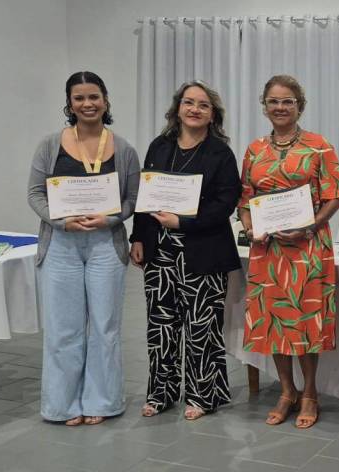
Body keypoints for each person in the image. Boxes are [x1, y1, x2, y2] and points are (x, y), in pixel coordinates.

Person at [27, 71, 140, 425]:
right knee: (63, 328)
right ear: (70, 103)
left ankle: (102, 402)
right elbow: (35, 193)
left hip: (106, 245)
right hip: (60, 245)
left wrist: (111, 218)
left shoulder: (124, 149)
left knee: (105, 328)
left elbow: (132, 199)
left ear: (105, 101)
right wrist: (61, 221)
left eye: (94, 97)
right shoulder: (50, 145)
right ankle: (61, 405)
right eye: (79, 98)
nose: (87, 104)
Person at [239, 75, 339, 428]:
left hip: (308, 246)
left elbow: (336, 194)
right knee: (273, 320)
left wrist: (311, 225)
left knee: (306, 321)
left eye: (288, 101)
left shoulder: (319, 146)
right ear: (264, 106)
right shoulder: (254, 149)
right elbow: (245, 199)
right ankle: (287, 391)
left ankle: (310, 392)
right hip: (268, 250)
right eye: (273, 101)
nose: (280, 107)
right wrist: (249, 228)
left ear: (300, 106)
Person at [129, 81, 240, 420]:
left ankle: (204, 395)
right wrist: (138, 237)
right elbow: (145, 195)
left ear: (212, 115)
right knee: (161, 325)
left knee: (201, 327)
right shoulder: (159, 146)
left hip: (203, 250)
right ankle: (161, 393)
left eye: (203, 105)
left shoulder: (220, 153)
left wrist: (184, 222)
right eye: (189, 102)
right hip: (159, 250)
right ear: (177, 109)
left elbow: (226, 203)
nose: (195, 109)